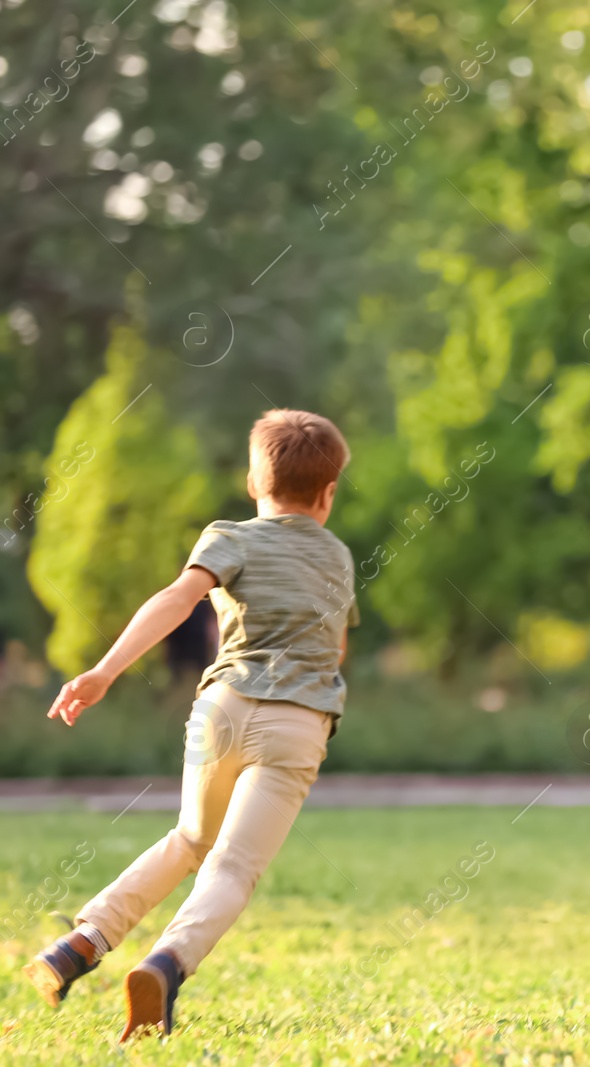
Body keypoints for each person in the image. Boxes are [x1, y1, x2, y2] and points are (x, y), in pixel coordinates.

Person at [23, 409, 359, 1042]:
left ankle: (80, 944)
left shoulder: (229, 535)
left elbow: (178, 599)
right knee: (232, 867)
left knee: (188, 839)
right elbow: (333, 649)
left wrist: (103, 671)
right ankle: (166, 963)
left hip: (222, 709)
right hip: (295, 722)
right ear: (329, 492)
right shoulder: (337, 557)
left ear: (255, 481)